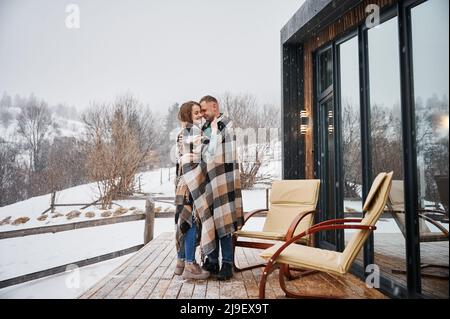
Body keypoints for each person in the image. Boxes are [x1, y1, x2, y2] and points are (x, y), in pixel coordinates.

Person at [198, 95, 244, 281]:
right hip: (208, 181)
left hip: (223, 179)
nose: (202, 114)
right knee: (210, 221)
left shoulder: (226, 125)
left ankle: (226, 264)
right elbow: (202, 152)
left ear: (214, 107)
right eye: (200, 111)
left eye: (204, 110)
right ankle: (211, 260)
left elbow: (219, 152)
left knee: (223, 222)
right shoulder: (204, 128)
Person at [174, 101, 210, 280]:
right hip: (191, 184)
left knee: (184, 221)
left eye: (200, 112)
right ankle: (190, 264)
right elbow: (209, 152)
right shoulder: (193, 131)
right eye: (196, 112)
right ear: (188, 115)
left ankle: (181, 260)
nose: (200, 115)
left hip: (182, 183)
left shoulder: (182, 132)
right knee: (191, 223)